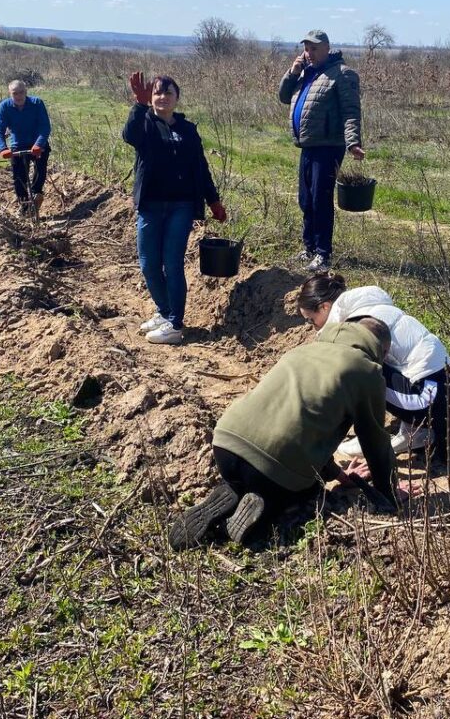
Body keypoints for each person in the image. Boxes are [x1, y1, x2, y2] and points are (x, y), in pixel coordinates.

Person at [169, 317, 408, 549]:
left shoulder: (303, 351)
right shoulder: (367, 372)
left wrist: (339, 475)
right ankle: (264, 513)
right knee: (310, 491)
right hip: (273, 467)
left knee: (262, 470)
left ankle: (235, 489)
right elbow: (375, 442)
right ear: (383, 352)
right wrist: (389, 493)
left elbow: (300, 426)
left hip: (226, 444)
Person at [297, 273, 450, 458]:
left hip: (426, 399)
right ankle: (415, 432)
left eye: (311, 320)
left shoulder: (357, 324)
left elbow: (356, 378)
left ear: (324, 307)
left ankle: (371, 436)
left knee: (353, 374)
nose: (313, 327)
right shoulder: (370, 307)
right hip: (439, 387)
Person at [123, 72, 226, 345]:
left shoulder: (188, 130)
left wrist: (212, 200)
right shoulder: (144, 123)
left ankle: (175, 324)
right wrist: (138, 104)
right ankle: (164, 311)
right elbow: (129, 136)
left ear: (177, 98)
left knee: (172, 262)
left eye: (168, 93)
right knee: (148, 264)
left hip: (181, 206)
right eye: (157, 93)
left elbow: (200, 168)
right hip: (150, 205)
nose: (162, 97)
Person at [277, 30, 363, 273]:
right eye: (306, 49)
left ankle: (323, 254)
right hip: (308, 145)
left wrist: (353, 142)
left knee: (319, 200)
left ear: (327, 48)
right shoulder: (306, 73)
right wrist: (292, 73)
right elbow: (283, 96)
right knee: (306, 200)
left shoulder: (342, 74)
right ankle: (309, 248)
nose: (309, 53)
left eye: (314, 49)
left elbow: (351, 111)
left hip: (328, 146)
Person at [0, 79, 51, 217]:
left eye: (21, 92)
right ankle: (24, 206)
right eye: (15, 93)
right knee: (18, 178)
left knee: (40, 170)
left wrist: (39, 144)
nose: (18, 96)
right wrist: (3, 148)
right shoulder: (5, 107)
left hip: (37, 144)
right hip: (17, 145)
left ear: (26, 92)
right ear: (10, 94)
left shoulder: (37, 103)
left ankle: (36, 195)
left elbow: (45, 126)